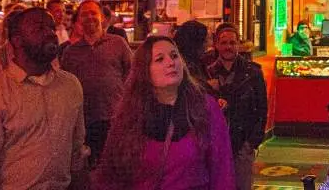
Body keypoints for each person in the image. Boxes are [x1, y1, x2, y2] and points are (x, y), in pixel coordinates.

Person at [92, 36, 234, 190]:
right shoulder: (129, 115)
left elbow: (222, 168)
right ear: (145, 70)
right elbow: (111, 174)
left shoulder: (205, 107)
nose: (171, 62)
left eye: (174, 56)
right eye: (160, 59)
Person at [0, 8, 86, 190]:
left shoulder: (70, 85)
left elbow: (76, 149)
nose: (49, 34)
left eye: (51, 28)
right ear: (17, 40)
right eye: (39, 29)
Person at [60, 0, 132, 164]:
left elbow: (131, 75)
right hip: (84, 119)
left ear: (102, 17)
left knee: (115, 164)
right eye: (85, 14)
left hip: (114, 116)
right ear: (79, 20)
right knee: (89, 166)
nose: (89, 17)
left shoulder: (117, 43)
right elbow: (65, 86)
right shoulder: (71, 52)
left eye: (93, 13)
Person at [207, 24, 267, 190]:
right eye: (224, 42)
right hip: (214, 144)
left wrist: (252, 141)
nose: (228, 47)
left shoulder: (253, 72)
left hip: (242, 143)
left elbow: (262, 107)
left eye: (232, 43)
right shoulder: (207, 72)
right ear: (217, 44)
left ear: (238, 45)